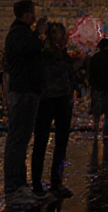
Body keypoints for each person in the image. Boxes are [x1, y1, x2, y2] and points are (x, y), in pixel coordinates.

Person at [3, 0, 47, 206]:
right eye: (33, 13)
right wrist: (38, 32)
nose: (35, 17)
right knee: (17, 141)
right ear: (27, 15)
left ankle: (20, 185)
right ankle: (13, 187)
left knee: (20, 141)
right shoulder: (18, 33)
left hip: (27, 90)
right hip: (23, 92)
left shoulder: (21, 33)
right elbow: (30, 50)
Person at [33, 22, 76, 199]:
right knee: (42, 142)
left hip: (61, 99)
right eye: (61, 35)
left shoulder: (62, 55)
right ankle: (38, 183)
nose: (64, 38)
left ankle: (55, 181)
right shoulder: (47, 55)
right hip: (49, 100)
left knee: (60, 143)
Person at [87, 38, 108, 139]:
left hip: (96, 87)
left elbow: (90, 73)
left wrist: (92, 83)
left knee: (96, 112)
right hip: (107, 87)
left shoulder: (94, 58)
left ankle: (96, 130)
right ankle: (105, 132)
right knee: (107, 112)